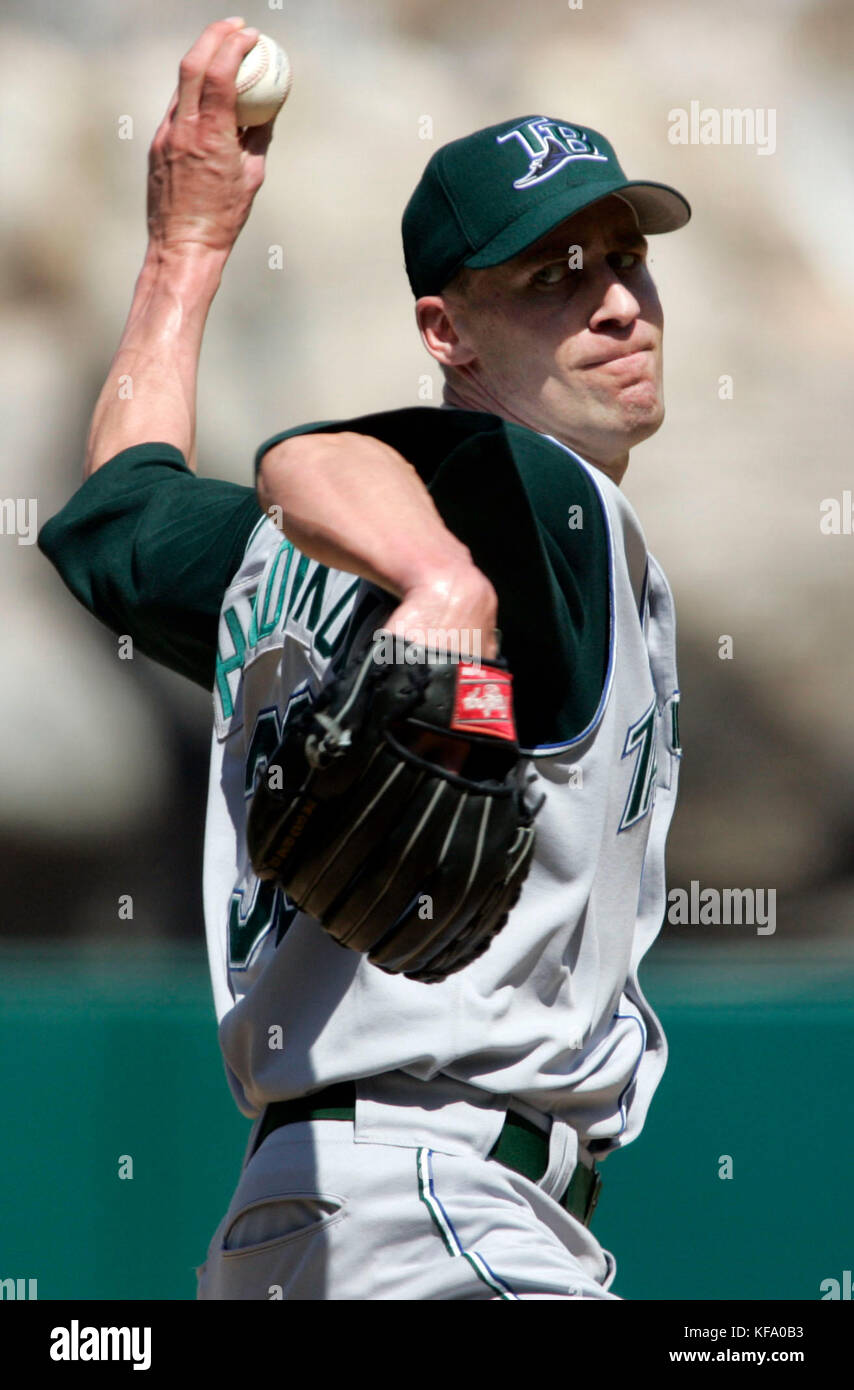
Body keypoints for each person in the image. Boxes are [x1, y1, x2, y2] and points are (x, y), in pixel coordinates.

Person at [39, 18, 689, 1300]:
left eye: (623, 258)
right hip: (445, 1209)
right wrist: (444, 578)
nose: (617, 299)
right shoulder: (530, 491)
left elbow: (114, 516)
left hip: (295, 1218)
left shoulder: (271, 575)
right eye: (553, 273)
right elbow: (310, 457)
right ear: (445, 333)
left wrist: (185, 248)